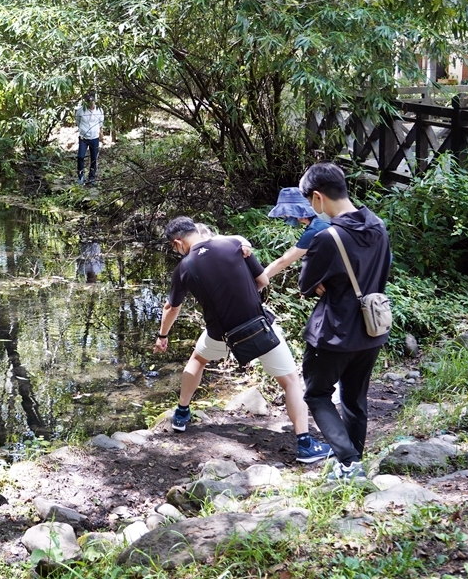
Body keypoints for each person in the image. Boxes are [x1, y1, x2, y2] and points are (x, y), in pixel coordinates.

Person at [154, 216, 332, 464]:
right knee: (291, 381)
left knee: (198, 358)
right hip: (258, 329)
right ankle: (304, 445)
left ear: (177, 243)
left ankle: (182, 413)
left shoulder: (184, 268)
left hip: (222, 335)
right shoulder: (234, 245)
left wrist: (163, 336)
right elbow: (262, 281)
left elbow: (171, 307)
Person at [297, 163, 392, 480]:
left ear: (318, 198)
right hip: (371, 330)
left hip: (334, 334)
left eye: (310, 201)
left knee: (317, 394)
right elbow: (381, 274)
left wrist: (324, 283)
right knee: (354, 398)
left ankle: (349, 462)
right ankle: (353, 463)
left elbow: (305, 283)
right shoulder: (378, 227)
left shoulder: (328, 237)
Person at [259, 187, 331, 283]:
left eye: (285, 213)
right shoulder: (327, 217)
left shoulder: (315, 229)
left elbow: (283, 262)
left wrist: (257, 282)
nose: (284, 217)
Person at [75, 92, 105, 185]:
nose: (90, 103)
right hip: (83, 137)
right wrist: (83, 130)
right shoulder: (80, 111)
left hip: (94, 137)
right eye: (88, 101)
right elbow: (77, 121)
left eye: (92, 101)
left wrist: (100, 134)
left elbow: (101, 123)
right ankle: (80, 177)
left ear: (94, 101)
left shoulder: (99, 110)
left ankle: (91, 177)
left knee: (94, 158)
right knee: (80, 157)